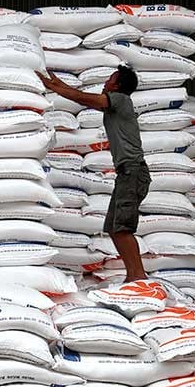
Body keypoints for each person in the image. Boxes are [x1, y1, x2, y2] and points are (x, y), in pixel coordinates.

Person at [37, 65, 151, 282]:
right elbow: (82, 98)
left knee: (123, 228)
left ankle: (139, 276)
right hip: (127, 174)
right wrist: (56, 84)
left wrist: (54, 87)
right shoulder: (115, 106)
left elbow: (83, 99)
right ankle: (133, 275)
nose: (105, 83)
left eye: (109, 80)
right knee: (113, 228)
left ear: (116, 86)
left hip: (133, 172)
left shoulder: (120, 100)